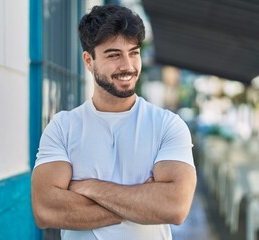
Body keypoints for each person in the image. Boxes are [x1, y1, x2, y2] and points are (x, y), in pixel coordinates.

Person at [31, 4, 197, 240]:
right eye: (114, 55)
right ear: (89, 61)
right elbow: (45, 210)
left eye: (134, 52)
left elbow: (174, 207)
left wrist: (88, 187)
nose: (128, 66)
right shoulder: (63, 127)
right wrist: (141, 203)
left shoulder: (167, 125)